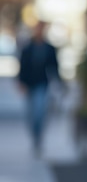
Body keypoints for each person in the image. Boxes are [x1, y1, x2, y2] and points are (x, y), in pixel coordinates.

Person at [17, 21, 62, 155]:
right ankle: (34, 136)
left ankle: (38, 138)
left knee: (39, 111)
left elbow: (54, 66)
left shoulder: (49, 48)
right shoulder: (28, 48)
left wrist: (59, 82)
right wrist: (21, 82)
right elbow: (23, 66)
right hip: (29, 84)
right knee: (31, 114)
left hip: (42, 84)